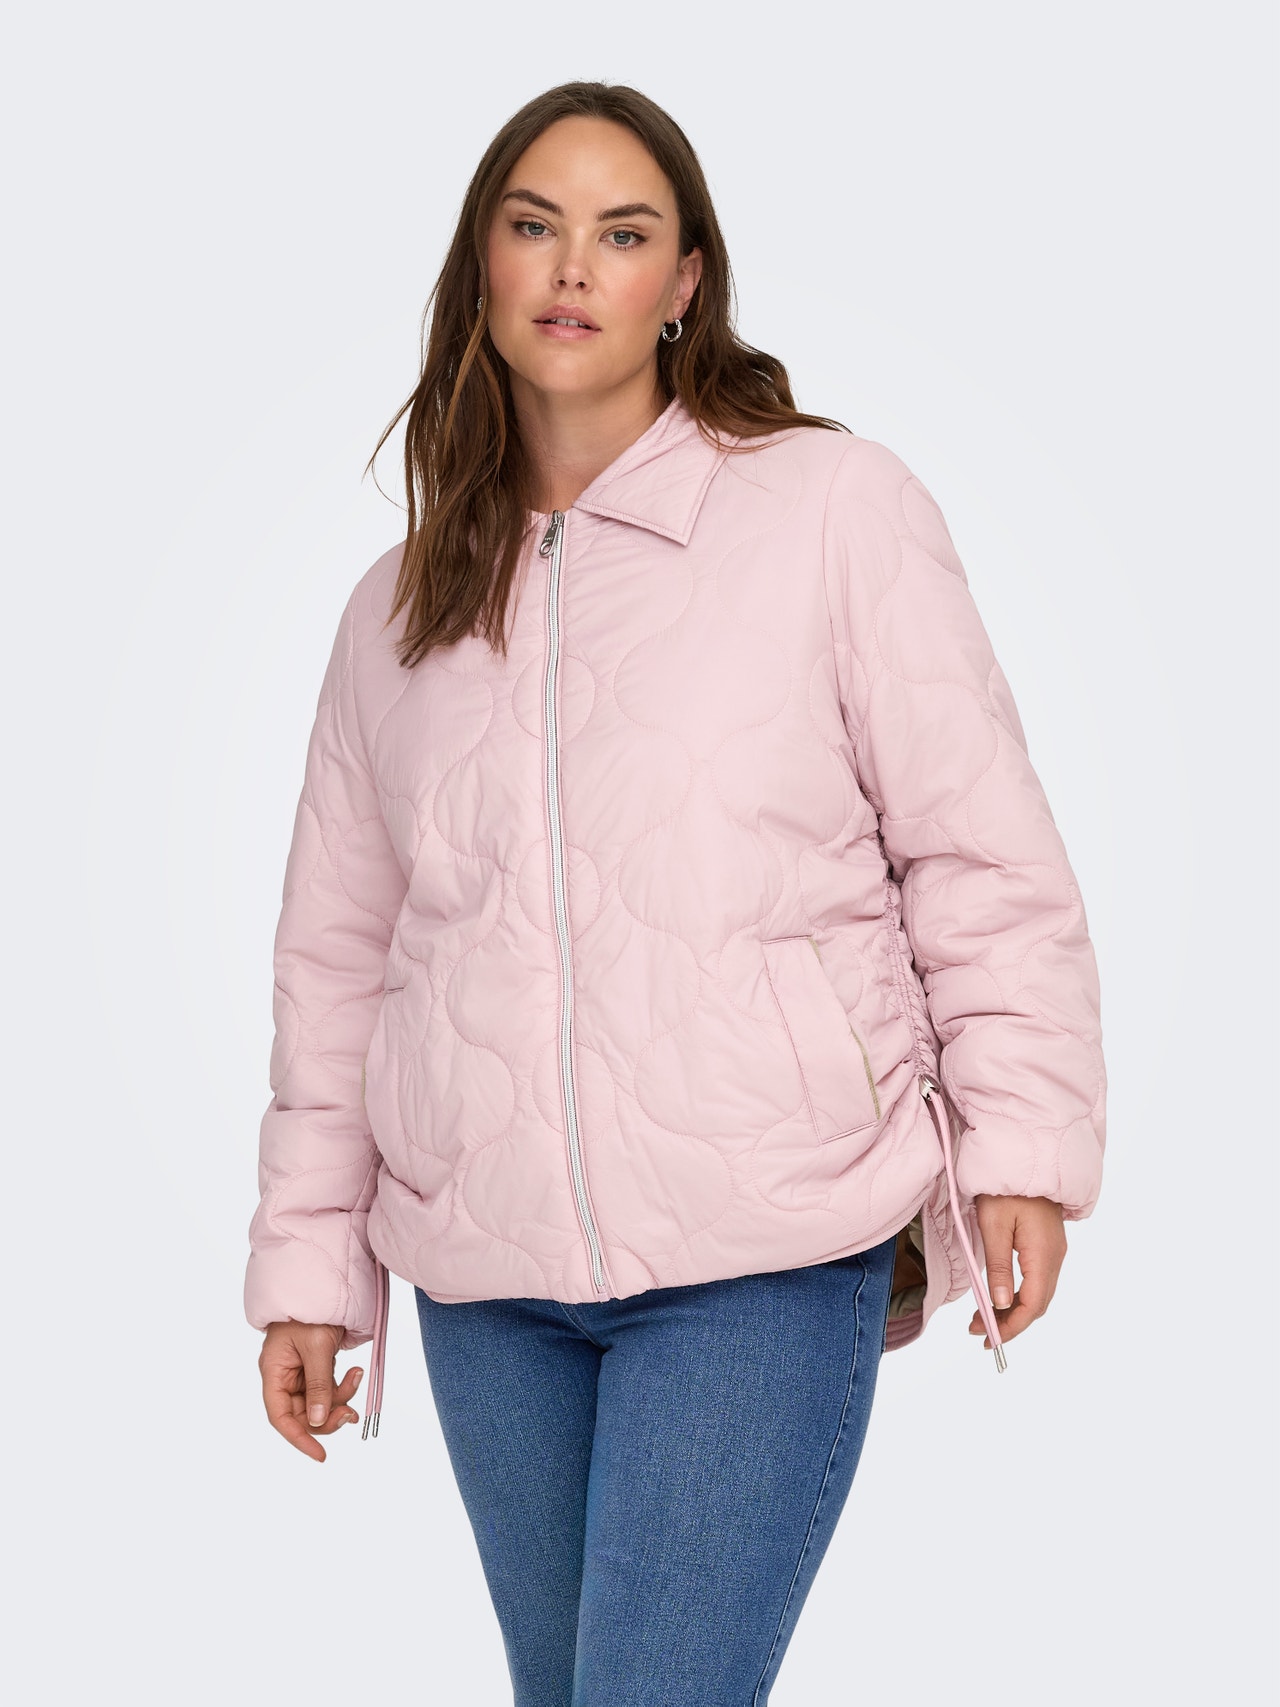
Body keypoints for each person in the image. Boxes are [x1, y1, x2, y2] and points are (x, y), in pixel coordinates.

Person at [244, 80, 1107, 1705]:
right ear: (484, 265)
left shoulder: (831, 511)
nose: (575, 266)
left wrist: (1023, 1148)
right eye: (535, 225)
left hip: (764, 1251)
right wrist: (310, 1271)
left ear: (684, 282)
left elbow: (978, 848)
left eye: (624, 232)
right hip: (488, 1285)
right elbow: (339, 967)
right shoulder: (397, 611)